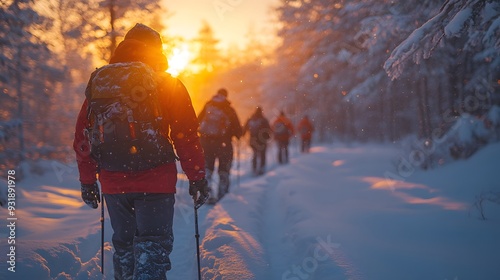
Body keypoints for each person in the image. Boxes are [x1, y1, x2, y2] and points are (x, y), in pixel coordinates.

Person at [73, 23, 209, 280]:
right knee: (152, 248)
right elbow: (186, 135)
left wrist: (88, 181)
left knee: (125, 247)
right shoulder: (167, 83)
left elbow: (83, 137)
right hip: (156, 180)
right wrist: (197, 176)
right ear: (156, 51)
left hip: (113, 181)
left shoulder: (102, 85)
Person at [198, 88, 242, 204]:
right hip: (224, 144)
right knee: (224, 169)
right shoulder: (228, 109)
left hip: (206, 143)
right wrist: (236, 135)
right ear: (226, 96)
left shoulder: (208, 106)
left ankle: (208, 194)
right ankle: (222, 195)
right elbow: (238, 130)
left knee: (208, 168)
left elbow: (197, 120)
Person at [243, 106, 271, 175]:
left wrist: (241, 135)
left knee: (255, 154)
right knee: (262, 154)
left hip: (253, 140)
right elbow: (268, 130)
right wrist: (268, 138)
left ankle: (254, 168)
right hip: (262, 140)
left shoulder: (251, 119)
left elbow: (244, 129)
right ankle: (262, 168)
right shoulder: (264, 120)